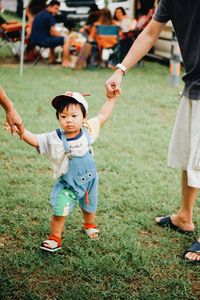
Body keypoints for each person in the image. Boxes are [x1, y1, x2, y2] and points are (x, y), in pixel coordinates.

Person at [105, 0, 200, 264]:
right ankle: (184, 216)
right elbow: (149, 32)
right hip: (193, 83)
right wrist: (120, 70)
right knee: (188, 154)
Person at [5, 91, 118, 252]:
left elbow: (103, 115)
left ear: (84, 117)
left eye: (74, 115)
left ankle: (89, 225)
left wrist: (111, 99)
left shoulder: (88, 130)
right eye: (63, 116)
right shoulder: (55, 138)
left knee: (89, 205)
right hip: (68, 185)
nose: (69, 120)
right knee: (59, 211)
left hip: (90, 181)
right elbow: (36, 140)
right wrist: (21, 130)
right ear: (58, 118)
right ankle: (54, 238)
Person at [29, 0, 71, 66]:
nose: (56, 11)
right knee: (66, 39)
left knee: (53, 38)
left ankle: (52, 59)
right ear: (50, 6)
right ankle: (66, 61)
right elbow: (54, 31)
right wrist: (61, 37)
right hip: (43, 41)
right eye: (55, 8)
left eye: (58, 9)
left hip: (34, 40)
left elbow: (51, 32)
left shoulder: (40, 14)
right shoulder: (49, 17)